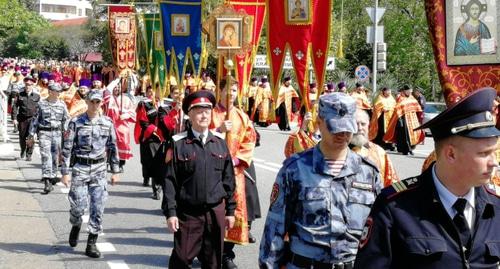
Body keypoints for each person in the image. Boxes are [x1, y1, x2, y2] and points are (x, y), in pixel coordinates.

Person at [354, 87, 500, 269]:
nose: (494, 163)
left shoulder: (495, 206)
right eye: (485, 153)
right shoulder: (394, 208)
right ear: (451, 154)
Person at [259, 93, 382, 268]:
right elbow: (274, 229)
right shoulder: (295, 169)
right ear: (319, 124)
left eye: (347, 128)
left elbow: (378, 233)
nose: (342, 134)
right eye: (335, 127)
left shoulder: (369, 172)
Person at [162, 90, 236, 269]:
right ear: (190, 114)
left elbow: (229, 179)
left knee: (213, 263)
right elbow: (169, 181)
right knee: (180, 260)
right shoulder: (177, 143)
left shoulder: (219, 142)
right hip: (189, 213)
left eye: (207, 111)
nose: (204, 116)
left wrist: (231, 210)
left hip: (215, 212)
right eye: (199, 111)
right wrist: (171, 213)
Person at [61, 90, 120, 258]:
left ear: (101, 103)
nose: (95, 105)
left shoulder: (107, 123)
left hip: (99, 169)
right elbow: (67, 148)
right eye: (92, 101)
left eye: (98, 102)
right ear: (87, 101)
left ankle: (91, 243)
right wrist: (65, 172)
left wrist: (115, 171)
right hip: (80, 167)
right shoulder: (76, 123)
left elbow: (113, 147)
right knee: (78, 206)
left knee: (98, 207)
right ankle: (76, 224)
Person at [210, 78, 258, 269]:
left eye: (234, 90)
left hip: (234, 172)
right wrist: (219, 130)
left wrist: (237, 160)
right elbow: (200, 136)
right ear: (219, 91)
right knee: (213, 211)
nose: (230, 94)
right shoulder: (211, 113)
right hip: (212, 171)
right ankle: (210, 251)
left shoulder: (242, 116)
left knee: (233, 212)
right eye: (227, 90)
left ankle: (226, 254)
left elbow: (249, 140)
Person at [27, 83, 69, 193]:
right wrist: (31, 135)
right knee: (46, 156)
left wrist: (67, 133)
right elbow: (35, 120)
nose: (59, 93)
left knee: (55, 158)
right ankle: (47, 180)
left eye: (60, 91)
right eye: (57, 91)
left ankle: (52, 176)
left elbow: (66, 120)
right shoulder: (41, 104)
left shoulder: (62, 104)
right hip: (44, 133)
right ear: (50, 91)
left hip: (57, 134)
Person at [134, 85, 175, 199]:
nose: (154, 93)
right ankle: (156, 187)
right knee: (152, 162)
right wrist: (155, 131)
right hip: (151, 137)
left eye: (158, 90)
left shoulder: (168, 104)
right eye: (151, 91)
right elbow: (143, 122)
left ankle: (161, 185)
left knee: (163, 163)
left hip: (165, 138)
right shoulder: (145, 104)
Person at [352, 109, 399, 187]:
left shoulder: (379, 152)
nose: (359, 128)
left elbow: (391, 183)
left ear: (368, 126)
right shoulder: (339, 151)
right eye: (355, 124)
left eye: (363, 124)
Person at [102, 78, 136, 172]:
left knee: (123, 143)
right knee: (109, 143)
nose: (116, 88)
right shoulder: (109, 98)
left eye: (118, 87)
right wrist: (117, 79)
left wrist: (126, 115)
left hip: (122, 125)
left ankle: (121, 163)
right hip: (110, 124)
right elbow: (108, 90)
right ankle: (109, 162)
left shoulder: (126, 99)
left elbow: (132, 112)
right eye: (115, 87)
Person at [383, 85, 424, 155]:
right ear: (404, 91)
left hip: (413, 119)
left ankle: (411, 148)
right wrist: (400, 118)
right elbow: (397, 109)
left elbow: (417, 107)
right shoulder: (401, 98)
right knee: (405, 135)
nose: (409, 92)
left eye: (410, 91)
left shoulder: (412, 97)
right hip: (404, 119)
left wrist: (419, 115)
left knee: (413, 134)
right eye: (408, 91)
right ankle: (407, 149)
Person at [12, 75, 40, 161]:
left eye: (30, 85)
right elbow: (15, 107)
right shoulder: (19, 95)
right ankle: (23, 150)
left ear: (33, 85)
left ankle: (29, 154)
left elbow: (39, 109)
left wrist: (39, 120)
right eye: (27, 84)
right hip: (22, 119)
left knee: (31, 137)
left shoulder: (36, 96)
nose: (28, 86)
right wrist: (14, 118)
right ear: (25, 85)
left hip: (32, 119)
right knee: (22, 137)